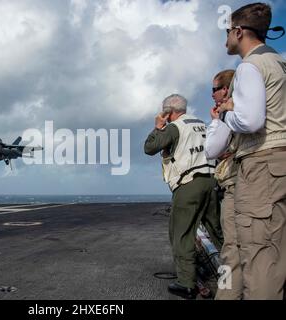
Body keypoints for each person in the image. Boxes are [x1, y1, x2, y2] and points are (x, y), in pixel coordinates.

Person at [219, 2, 286, 299]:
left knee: (255, 253)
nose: (226, 39)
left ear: (239, 31)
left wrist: (227, 112)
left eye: (228, 32)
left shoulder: (249, 66)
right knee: (275, 252)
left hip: (260, 163)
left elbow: (251, 121)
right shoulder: (278, 61)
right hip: (278, 163)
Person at [144, 94, 223, 299]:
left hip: (189, 185)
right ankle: (233, 275)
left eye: (165, 112)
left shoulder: (175, 127)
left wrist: (157, 126)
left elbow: (150, 148)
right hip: (211, 181)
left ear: (168, 112)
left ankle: (187, 283)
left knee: (181, 234)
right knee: (218, 232)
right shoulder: (202, 124)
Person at [205, 70, 243, 300]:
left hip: (237, 185)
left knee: (231, 250)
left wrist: (216, 121)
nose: (212, 95)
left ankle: (226, 294)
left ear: (226, 89)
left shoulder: (229, 112)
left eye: (214, 89)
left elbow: (211, 150)